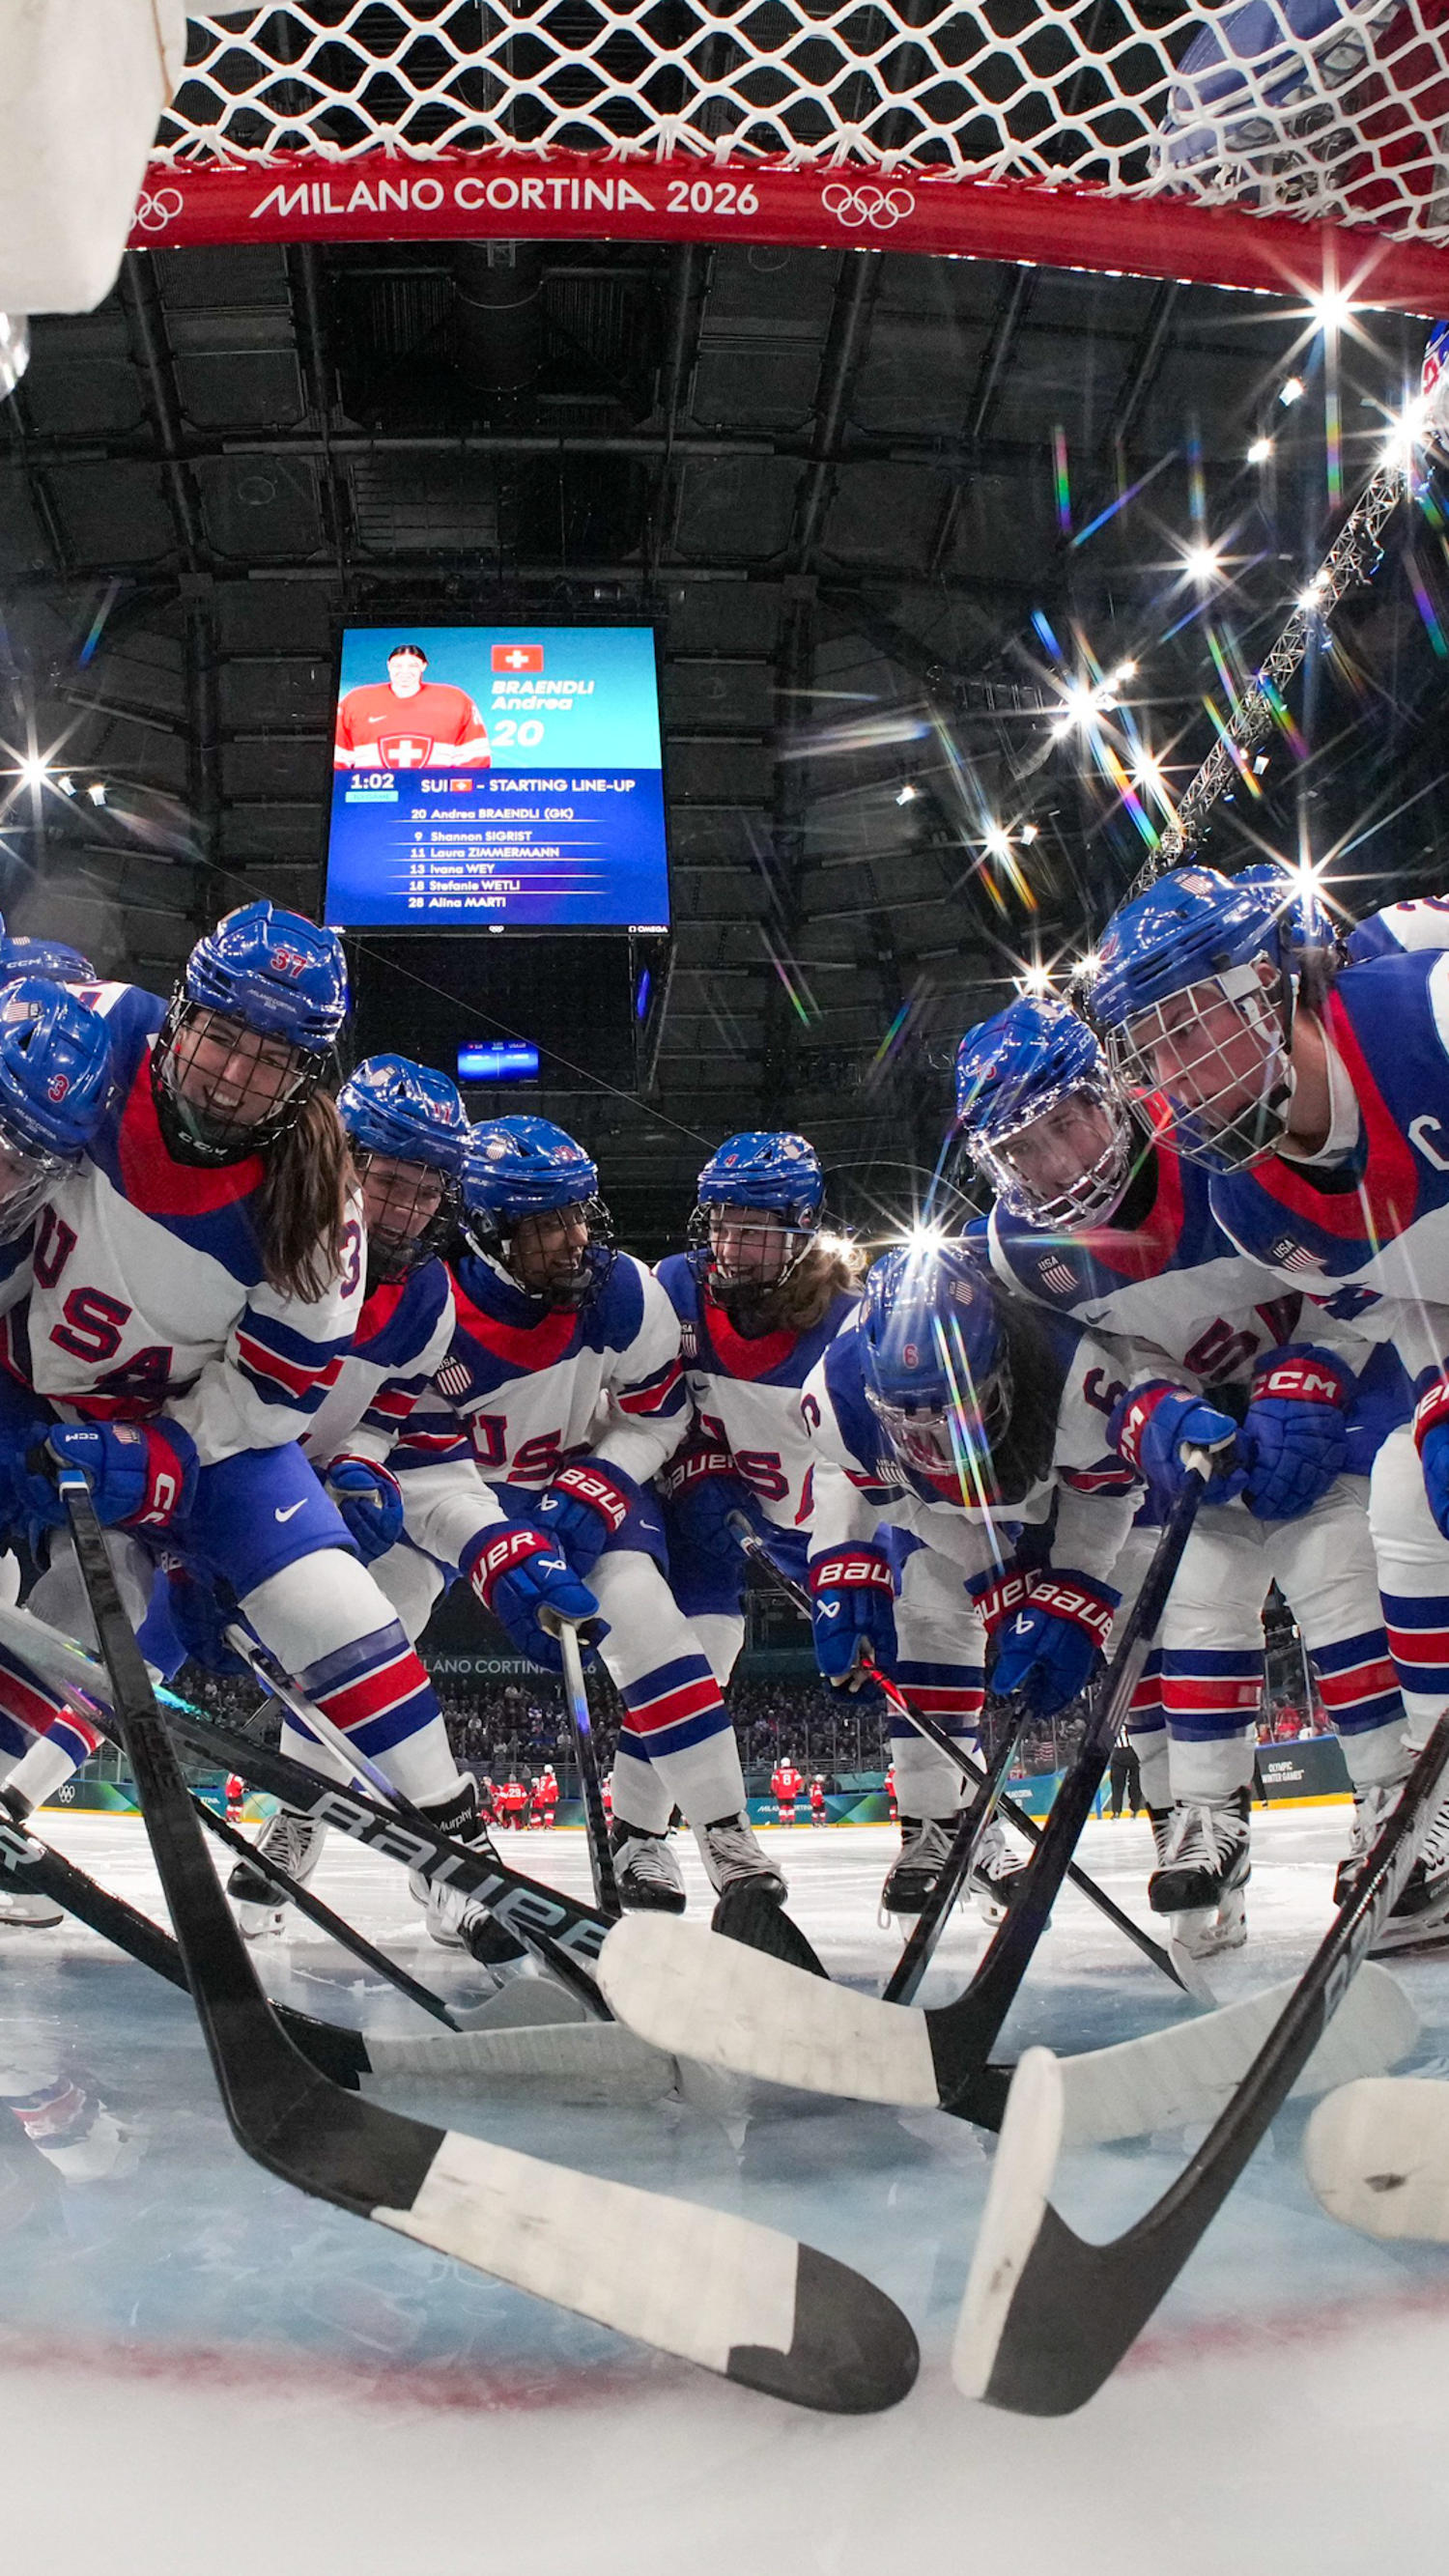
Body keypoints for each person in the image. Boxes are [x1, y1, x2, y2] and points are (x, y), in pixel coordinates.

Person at [0, 907, 497, 1958]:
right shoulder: (86, 1032)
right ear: (178, 1016)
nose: (232, 1077)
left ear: (309, 1078)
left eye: (272, 1061)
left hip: (199, 1431)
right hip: (31, 1388)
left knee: (326, 1594)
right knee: (72, 1612)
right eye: (221, 1036)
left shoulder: (319, 1211)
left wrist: (154, 1464)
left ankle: (461, 1844)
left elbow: (267, 1406)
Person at [953, 989, 1401, 1955]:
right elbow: (1102, 1359)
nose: (1056, 1164)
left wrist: (1316, 1364)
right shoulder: (1018, 1249)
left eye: (1066, 1124)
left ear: (1107, 1095)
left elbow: (1355, 1247)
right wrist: (1151, 1404)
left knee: (1336, 1568)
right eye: (1020, 1148)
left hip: (1343, 1377)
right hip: (1207, 1430)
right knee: (1194, 1591)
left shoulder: (1214, 1125)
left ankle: (1398, 1800)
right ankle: (1208, 1822)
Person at [1089, 861, 1449, 1938]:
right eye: (1148, 1054)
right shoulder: (1252, 1208)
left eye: (1189, 1028)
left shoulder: (1427, 1007)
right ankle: (1432, 1797)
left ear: (1277, 981)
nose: (1174, 1078)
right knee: (1402, 1496)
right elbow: (1410, 1304)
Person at [375, 1116, 784, 1912]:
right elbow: (407, 1449)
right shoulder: (435, 1304)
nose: (575, 1240)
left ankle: (722, 1826)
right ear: (490, 1232)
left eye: (578, 1214)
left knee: (646, 1614)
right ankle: (300, 1816)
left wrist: (603, 1477)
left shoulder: (624, 1290)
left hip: (566, 1492)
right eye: (547, 1224)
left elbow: (656, 1413)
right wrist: (485, 1535)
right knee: (365, 1623)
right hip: (445, 1498)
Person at [799, 1239, 1141, 1917]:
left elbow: (1110, 1490)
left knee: (1140, 1616)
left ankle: (1187, 1812)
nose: (933, 1448)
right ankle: (933, 1826)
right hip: (943, 1516)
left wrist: (1072, 1586)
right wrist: (992, 1573)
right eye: (909, 1425)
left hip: (1071, 1490)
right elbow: (895, 1498)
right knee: (924, 1606)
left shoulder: (1076, 1369)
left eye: (953, 1414)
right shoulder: (835, 1397)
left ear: (1001, 1365)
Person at [653, 1131, 861, 1688]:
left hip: (827, 1529)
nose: (726, 1248)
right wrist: (693, 1465)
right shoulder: (676, 1286)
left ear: (801, 1230)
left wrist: (860, 1564)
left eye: (749, 1231)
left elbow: (874, 1480)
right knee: (693, 1669)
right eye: (720, 1226)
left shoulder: (850, 1327)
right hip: (723, 1507)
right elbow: (642, 1406)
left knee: (891, 1660)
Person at [333, 641, 491, 771]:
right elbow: (337, 759)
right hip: (373, 799)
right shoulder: (357, 700)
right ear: (388, 666)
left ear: (424, 666)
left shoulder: (455, 699)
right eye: (398, 666)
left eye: (412, 665)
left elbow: (475, 760)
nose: (404, 672)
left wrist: (452, 800)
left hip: (434, 801)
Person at [771, 1752, 804, 1825]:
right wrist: (797, 1788)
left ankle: (782, 1820)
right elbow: (799, 1781)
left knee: (782, 1806)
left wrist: (774, 1790)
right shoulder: (794, 1771)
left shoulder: (778, 1772)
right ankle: (791, 1819)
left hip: (781, 1793)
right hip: (791, 1792)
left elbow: (774, 1782)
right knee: (791, 1806)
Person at [531, 1762, 559, 1828]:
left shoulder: (541, 1778)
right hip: (549, 1797)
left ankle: (546, 1823)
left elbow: (539, 1787)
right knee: (550, 1810)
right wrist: (556, 1795)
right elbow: (553, 1788)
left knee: (547, 1810)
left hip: (542, 1797)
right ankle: (548, 1824)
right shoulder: (551, 1779)